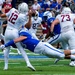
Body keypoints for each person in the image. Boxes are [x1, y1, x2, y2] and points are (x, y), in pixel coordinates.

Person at [1, 27, 75, 68]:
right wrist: (5, 43)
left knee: (61, 54)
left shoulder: (22, 33)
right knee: (61, 56)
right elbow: (13, 43)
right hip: (41, 51)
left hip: (43, 46)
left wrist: (5, 45)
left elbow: (16, 40)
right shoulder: (19, 40)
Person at [0, 2, 35, 71]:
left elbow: (4, 15)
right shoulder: (23, 16)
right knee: (21, 49)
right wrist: (29, 16)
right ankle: (28, 63)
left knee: (7, 49)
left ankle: (6, 66)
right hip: (14, 32)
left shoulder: (13, 9)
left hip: (7, 31)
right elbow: (28, 26)